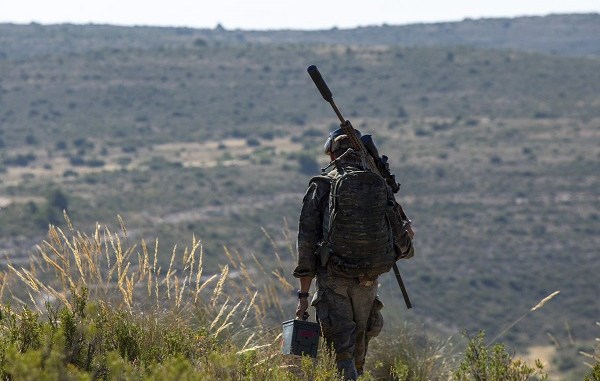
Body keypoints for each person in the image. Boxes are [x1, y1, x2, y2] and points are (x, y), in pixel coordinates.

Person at [293, 126, 414, 380]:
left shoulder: (322, 185)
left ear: (332, 155)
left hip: (334, 281)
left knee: (340, 353)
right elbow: (403, 245)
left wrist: (303, 296)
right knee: (360, 349)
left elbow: (306, 244)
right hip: (368, 281)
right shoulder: (377, 185)